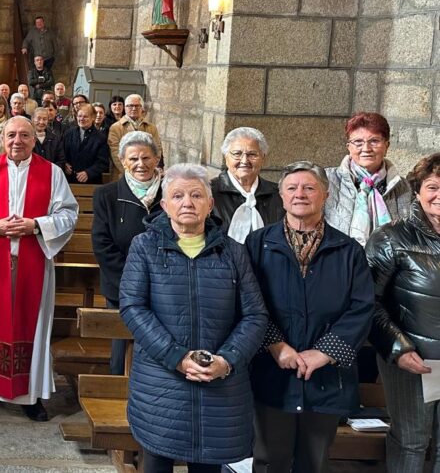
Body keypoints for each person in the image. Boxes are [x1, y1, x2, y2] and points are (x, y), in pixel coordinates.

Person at [119, 164, 267, 473]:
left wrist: (227, 360)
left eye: (196, 195)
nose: (187, 202)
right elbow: (133, 307)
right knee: (157, 462)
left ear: (210, 204)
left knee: (208, 466)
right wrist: (176, 357)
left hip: (219, 383)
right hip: (162, 382)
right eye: (178, 196)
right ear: (164, 205)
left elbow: (254, 315)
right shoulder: (144, 247)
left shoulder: (233, 252)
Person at [247, 162, 373, 473]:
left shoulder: (348, 250)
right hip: (273, 371)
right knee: (269, 459)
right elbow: (248, 302)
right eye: (292, 188)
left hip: (326, 378)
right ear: (281, 196)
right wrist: (276, 344)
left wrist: (325, 352)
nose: (300, 194)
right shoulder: (257, 245)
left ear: (325, 195)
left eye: (309, 188)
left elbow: (361, 307)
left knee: (314, 462)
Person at [0, 117, 77, 420]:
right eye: (11, 135)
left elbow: (68, 214)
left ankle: (30, 395)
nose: (17, 141)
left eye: (24, 135)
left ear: (34, 139)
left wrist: (36, 225)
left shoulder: (51, 173)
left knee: (32, 327)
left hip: (34, 264)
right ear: (2, 139)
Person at [366, 152, 440, 473]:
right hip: (414, 361)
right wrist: (398, 349)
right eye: (433, 186)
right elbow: (367, 302)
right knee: (411, 442)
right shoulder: (390, 238)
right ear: (418, 191)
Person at [92, 131, 163, 375]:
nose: (140, 164)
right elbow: (102, 244)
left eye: (146, 157)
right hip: (121, 285)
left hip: (164, 284)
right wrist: (133, 280)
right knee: (122, 349)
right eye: (133, 159)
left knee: (159, 345)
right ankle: (119, 389)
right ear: (123, 161)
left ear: (157, 159)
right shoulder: (107, 195)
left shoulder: (171, 193)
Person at [326, 111, 413, 246]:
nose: (366, 148)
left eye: (374, 141)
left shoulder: (404, 187)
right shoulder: (327, 180)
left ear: (387, 146)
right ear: (349, 147)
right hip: (338, 258)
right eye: (358, 142)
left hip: (390, 259)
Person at [211, 127, 284, 243]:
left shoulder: (279, 194)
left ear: (263, 158)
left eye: (252, 154)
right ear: (226, 157)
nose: (244, 161)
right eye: (237, 154)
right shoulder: (209, 193)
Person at [107, 94, 163, 177]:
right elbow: (115, 153)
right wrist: (131, 171)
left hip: (147, 173)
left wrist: (151, 168)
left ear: (142, 108)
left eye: (137, 106)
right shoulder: (116, 127)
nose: (134, 108)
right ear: (125, 108)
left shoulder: (151, 127)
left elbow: (157, 149)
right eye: (130, 106)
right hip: (122, 173)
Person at [62, 103, 109, 185]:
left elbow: (103, 162)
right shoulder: (68, 133)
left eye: (85, 116)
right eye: (79, 116)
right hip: (69, 180)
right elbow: (61, 153)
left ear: (93, 117)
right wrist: (64, 163)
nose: (81, 119)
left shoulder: (100, 138)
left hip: (91, 181)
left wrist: (88, 173)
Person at [32, 106, 66, 173]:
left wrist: (48, 170)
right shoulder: (26, 139)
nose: (41, 122)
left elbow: (61, 161)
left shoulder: (56, 139)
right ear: (32, 119)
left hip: (52, 174)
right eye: (38, 118)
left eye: (44, 119)